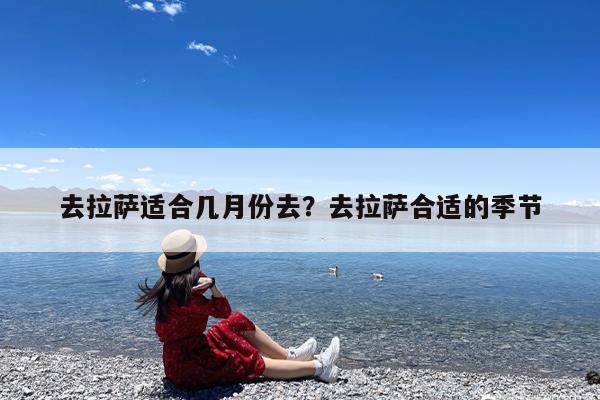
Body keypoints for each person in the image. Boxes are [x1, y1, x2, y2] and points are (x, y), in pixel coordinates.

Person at [136, 229, 341, 390]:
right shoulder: (186, 297)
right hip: (189, 366)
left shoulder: (172, 286)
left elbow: (226, 313)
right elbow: (223, 309)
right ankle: (319, 368)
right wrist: (213, 285)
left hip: (184, 355)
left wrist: (207, 282)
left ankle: (290, 356)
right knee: (248, 360)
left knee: (238, 320)